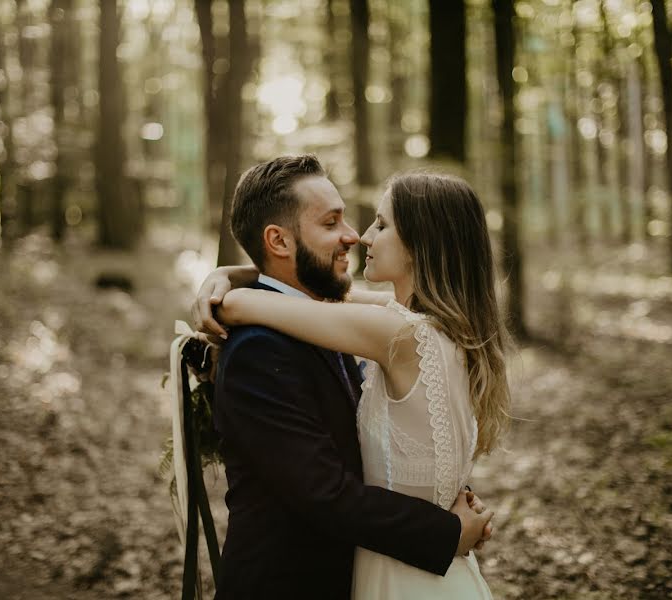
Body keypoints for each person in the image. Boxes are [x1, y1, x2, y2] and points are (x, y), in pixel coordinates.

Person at [194, 155, 507, 598]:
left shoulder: (385, 328)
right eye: (331, 222)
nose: (356, 236)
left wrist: (227, 289)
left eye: (378, 224)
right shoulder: (260, 350)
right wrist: (445, 529)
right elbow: (325, 492)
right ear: (279, 241)